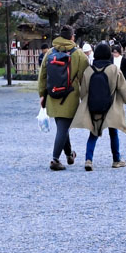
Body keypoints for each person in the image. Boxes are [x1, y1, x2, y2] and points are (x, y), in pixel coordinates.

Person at [71, 43, 126, 170]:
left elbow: (83, 92)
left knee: (93, 133)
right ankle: (116, 160)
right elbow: (123, 89)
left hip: (94, 106)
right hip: (111, 106)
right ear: (108, 54)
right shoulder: (114, 69)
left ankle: (88, 160)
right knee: (113, 133)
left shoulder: (88, 70)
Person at [38, 25, 89, 171]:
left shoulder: (50, 53)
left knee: (62, 126)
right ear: (72, 37)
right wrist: (85, 97)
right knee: (63, 127)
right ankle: (55, 159)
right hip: (70, 95)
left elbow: (42, 76)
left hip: (53, 94)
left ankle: (69, 154)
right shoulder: (79, 55)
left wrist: (42, 94)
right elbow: (84, 78)